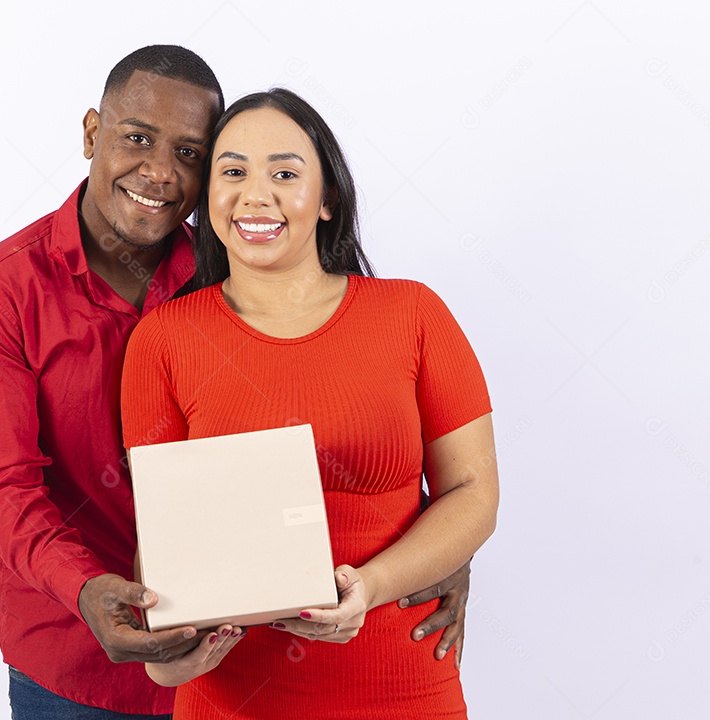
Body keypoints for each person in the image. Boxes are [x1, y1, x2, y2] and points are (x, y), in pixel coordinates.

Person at [0, 45, 473, 719]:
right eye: (137, 138)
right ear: (90, 134)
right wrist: (85, 590)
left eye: (190, 154)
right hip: (76, 658)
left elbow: (341, 395)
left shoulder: (241, 266)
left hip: (243, 663)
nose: (160, 173)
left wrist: (434, 543)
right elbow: (3, 484)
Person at [119, 88, 499, 718]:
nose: (255, 194)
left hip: (400, 686)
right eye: (233, 171)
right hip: (232, 697)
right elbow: (163, 538)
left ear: (326, 200)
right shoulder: (163, 340)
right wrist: (166, 654)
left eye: (285, 173)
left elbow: (474, 495)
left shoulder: (413, 314)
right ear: (208, 195)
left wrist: (371, 587)